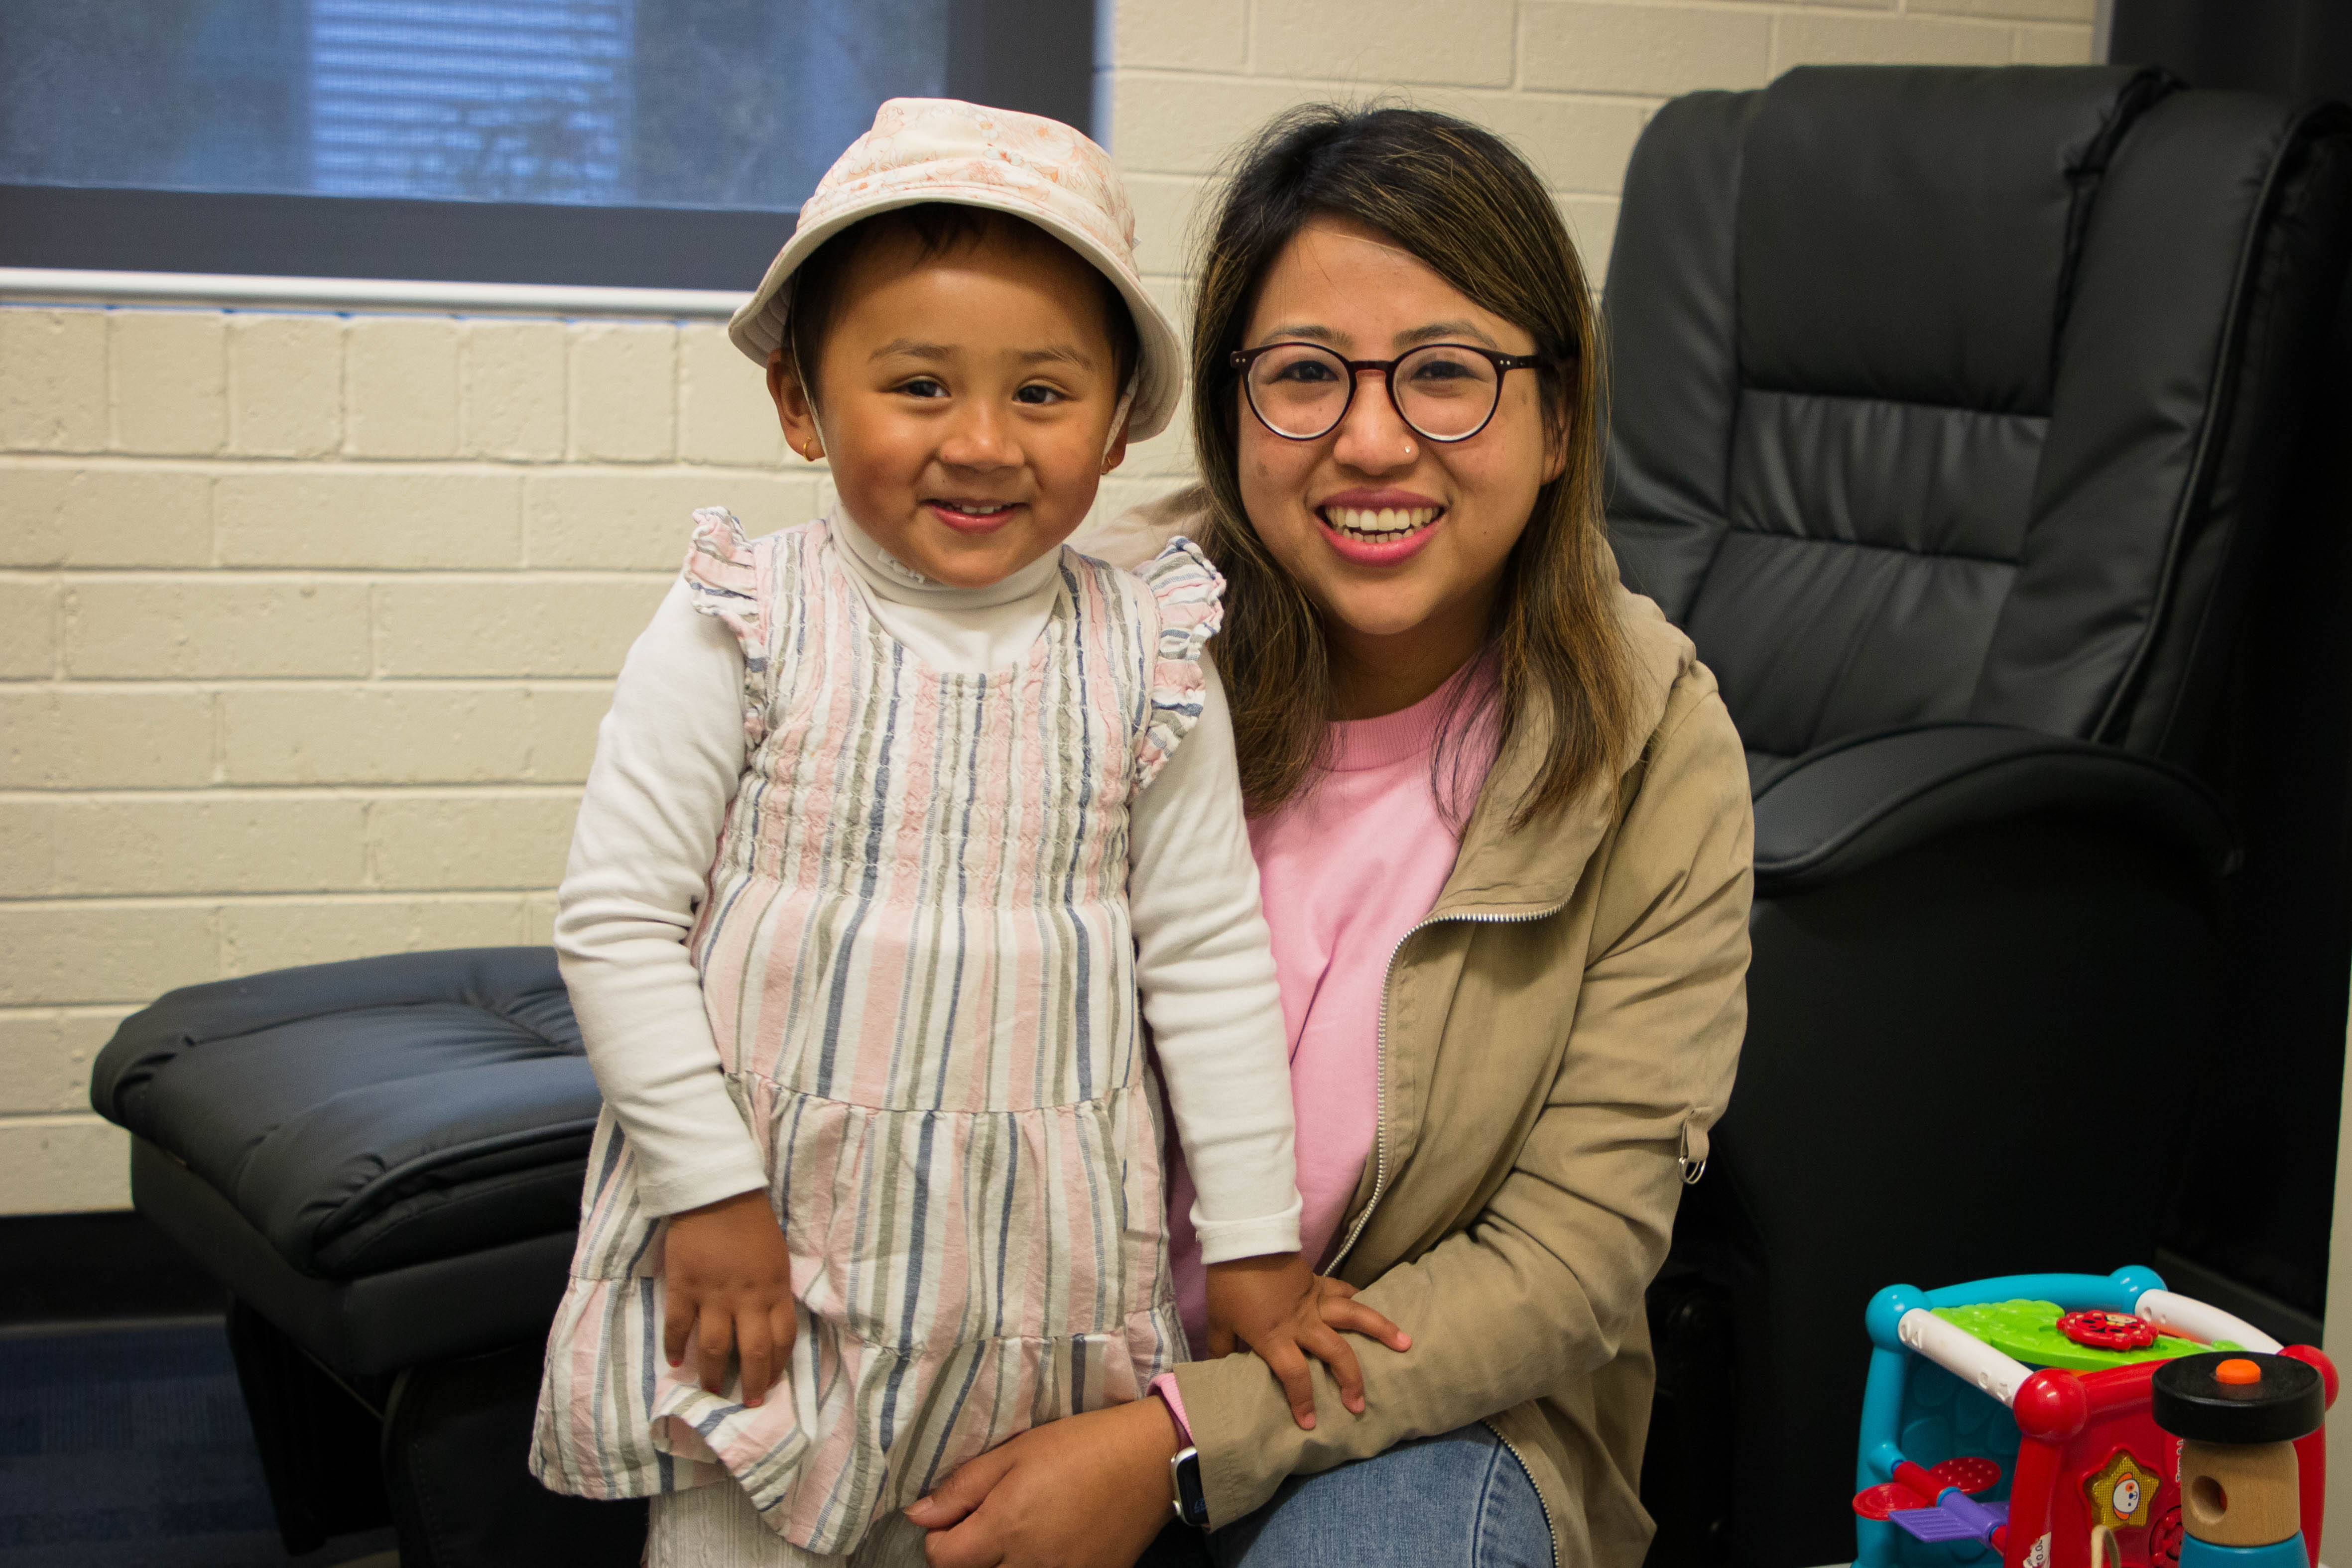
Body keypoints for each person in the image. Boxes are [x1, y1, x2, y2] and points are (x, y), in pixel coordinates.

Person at [528, 99, 1399, 1568]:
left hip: (1031, 1267)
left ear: (1121, 422)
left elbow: (1205, 959)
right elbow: (614, 922)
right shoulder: (741, 624)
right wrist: (708, 1194)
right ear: (803, 406)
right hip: (769, 1246)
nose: (982, 445)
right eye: (918, 386)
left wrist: (1252, 1246)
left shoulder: (1154, 655)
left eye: (1044, 394)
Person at [904, 104, 1754, 1568]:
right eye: (1304, 375)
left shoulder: (1651, 737)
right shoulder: (1090, 643)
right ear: (1231, 415)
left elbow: (1568, 1263)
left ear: (1557, 418)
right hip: (1036, 1361)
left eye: (1445, 376)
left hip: (1430, 1410)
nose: (1370, 440)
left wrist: (1178, 1440)